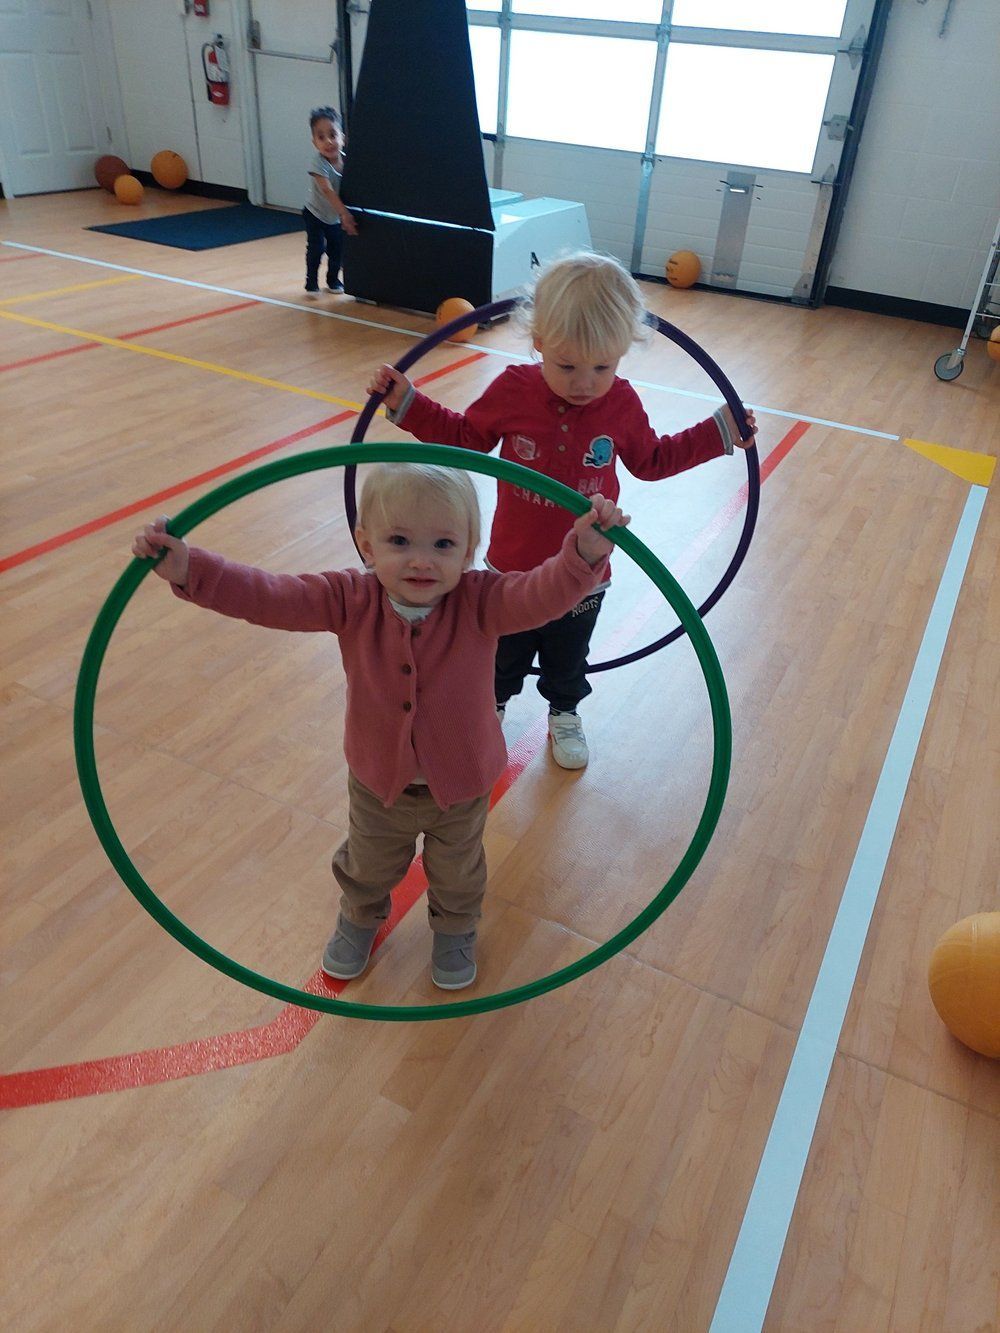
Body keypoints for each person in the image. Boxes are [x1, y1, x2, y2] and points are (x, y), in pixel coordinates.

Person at [130, 464, 628, 991]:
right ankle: (360, 916)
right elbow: (269, 595)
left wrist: (585, 556)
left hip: (462, 784)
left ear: (468, 549)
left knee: (459, 871)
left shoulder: (483, 600)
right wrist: (190, 568)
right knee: (367, 865)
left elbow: (541, 595)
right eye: (398, 540)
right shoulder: (348, 598)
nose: (420, 560)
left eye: (442, 543)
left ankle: (456, 927)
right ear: (366, 544)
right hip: (377, 781)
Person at [368, 251, 758, 770]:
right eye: (568, 365)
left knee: (568, 657)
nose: (584, 383)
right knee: (501, 658)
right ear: (539, 345)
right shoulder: (514, 390)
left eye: (603, 366)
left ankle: (565, 712)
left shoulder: (619, 402)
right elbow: (465, 437)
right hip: (512, 565)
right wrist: (408, 403)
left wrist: (719, 432)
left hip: (584, 572)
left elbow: (653, 459)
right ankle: (491, 709)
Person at [303, 106, 358, 297]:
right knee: (316, 248)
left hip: (334, 217)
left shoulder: (348, 161)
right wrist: (344, 213)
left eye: (333, 135)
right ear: (314, 142)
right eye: (321, 137)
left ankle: (333, 280)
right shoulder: (318, 164)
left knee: (337, 250)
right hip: (315, 214)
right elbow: (328, 190)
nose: (328, 141)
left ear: (342, 137)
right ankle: (311, 282)